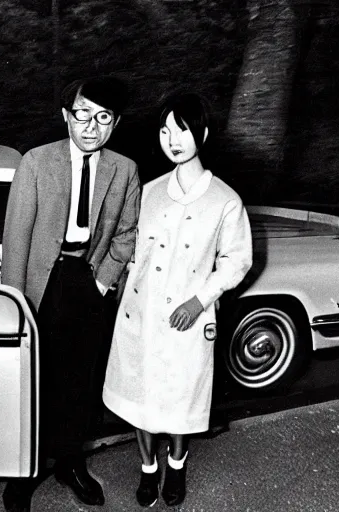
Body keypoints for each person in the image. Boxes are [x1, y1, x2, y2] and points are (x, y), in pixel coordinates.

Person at [102, 92, 253, 507]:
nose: (172, 139)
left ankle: (177, 463)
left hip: (187, 317)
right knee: (141, 395)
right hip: (141, 315)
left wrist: (200, 300)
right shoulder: (148, 192)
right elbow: (130, 250)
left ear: (201, 134)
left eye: (181, 130)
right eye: (165, 130)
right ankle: (148, 469)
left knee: (180, 395)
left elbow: (237, 261)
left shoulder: (225, 200)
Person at [1, 76, 140, 511]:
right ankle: (25, 472)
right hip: (43, 282)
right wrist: (14, 303)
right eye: (82, 114)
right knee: (35, 379)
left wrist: (102, 282)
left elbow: (127, 233)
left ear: (114, 123)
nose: (91, 126)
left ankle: (70, 463)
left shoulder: (125, 168)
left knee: (80, 381)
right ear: (66, 115)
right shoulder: (37, 163)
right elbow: (16, 236)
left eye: (103, 118)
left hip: (88, 278)